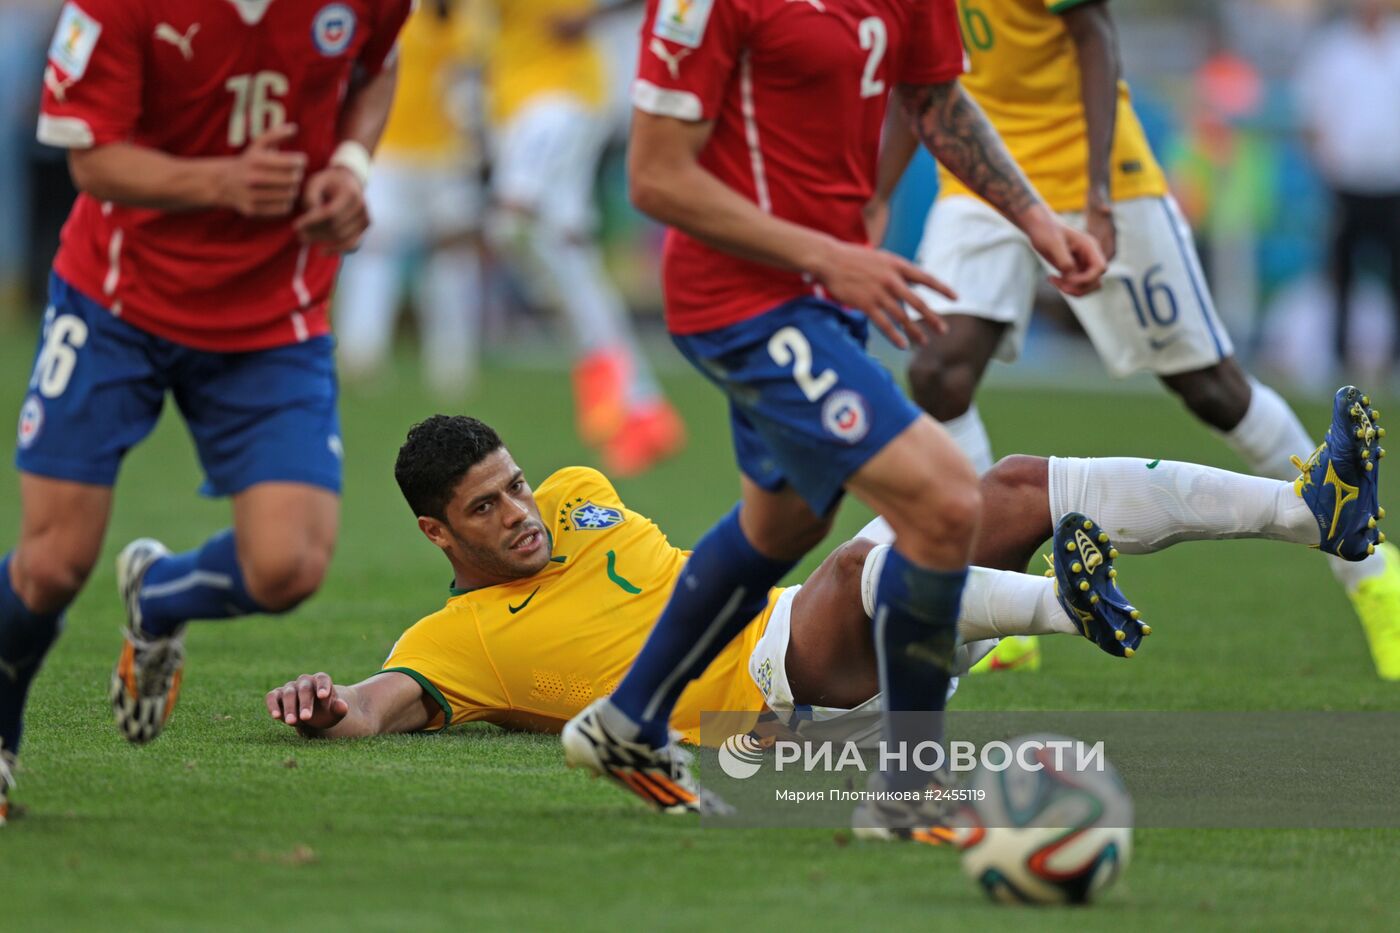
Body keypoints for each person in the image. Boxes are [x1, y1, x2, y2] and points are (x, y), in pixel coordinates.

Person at [266, 394, 1382, 833]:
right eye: (485, 506)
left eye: (513, 485)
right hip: (774, 694)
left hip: (804, 632)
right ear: (435, 533)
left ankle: (1308, 511)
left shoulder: (577, 495)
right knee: (864, 572)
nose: (520, 513)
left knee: (1003, 482)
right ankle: (1057, 606)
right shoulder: (451, 647)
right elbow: (375, 708)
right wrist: (322, 706)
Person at [556, 0, 1105, 831]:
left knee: (783, 524)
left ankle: (627, 722)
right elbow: (655, 176)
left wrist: (1035, 219)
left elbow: (936, 100)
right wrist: (828, 256)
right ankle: (911, 789)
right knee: (947, 499)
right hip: (740, 299)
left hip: (829, 290)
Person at [871, 0, 1400, 680]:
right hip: (979, 174)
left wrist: (1096, 195)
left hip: (1091, 167)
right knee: (938, 369)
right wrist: (876, 192)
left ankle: (1371, 572)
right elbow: (914, 75)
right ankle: (997, 606)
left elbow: (1093, 33)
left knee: (1211, 389)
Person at [0, 0, 411, 825]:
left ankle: (160, 596)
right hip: (117, 304)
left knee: (289, 566)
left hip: (271, 316)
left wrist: (352, 167)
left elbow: (378, 65)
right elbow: (92, 159)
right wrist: (218, 181)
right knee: (51, 564)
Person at [486, 0, 684, 476]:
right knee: (569, 253)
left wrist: (593, 18)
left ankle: (600, 374)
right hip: (514, 100)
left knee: (511, 221)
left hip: (562, 99)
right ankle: (639, 404)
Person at [336, 0, 488, 398]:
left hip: (448, 155)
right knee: (375, 250)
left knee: (451, 256)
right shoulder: (398, 14)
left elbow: (471, 87)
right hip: (391, 152)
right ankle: (361, 354)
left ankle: (452, 361)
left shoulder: (467, 18)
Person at [1295, 0, 1400, 376]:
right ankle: (1338, 360)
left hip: (1392, 181)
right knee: (1342, 275)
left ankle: (1393, 361)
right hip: (1347, 181)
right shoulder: (1331, 50)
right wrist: (1328, 163)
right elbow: (1312, 115)